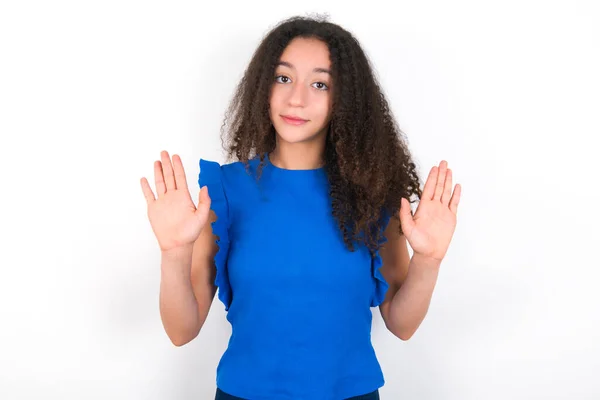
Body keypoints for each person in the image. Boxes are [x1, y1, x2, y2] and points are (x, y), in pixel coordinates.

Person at [140, 15, 461, 400]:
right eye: (283, 78)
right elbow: (181, 330)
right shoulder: (225, 190)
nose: (297, 98)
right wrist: (174, 253)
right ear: (264, 85)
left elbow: (402, 323)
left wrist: (429, 260)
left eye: (320, 84)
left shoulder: (372, 193)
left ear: (345, 100)